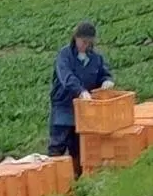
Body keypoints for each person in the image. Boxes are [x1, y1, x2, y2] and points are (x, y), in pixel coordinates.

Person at [49, 21, 115, 176]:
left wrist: (107, 80)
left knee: (78, 148)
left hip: (84, 111)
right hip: (64, 107)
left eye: (89, 43)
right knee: (57, 146)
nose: (85, 45)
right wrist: (81, 91)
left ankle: (77, 181)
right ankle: (54, 180)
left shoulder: (95, 58)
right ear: (75, 38)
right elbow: (67, 77)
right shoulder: (64, 56)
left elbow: (103, 73)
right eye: (83, 42)